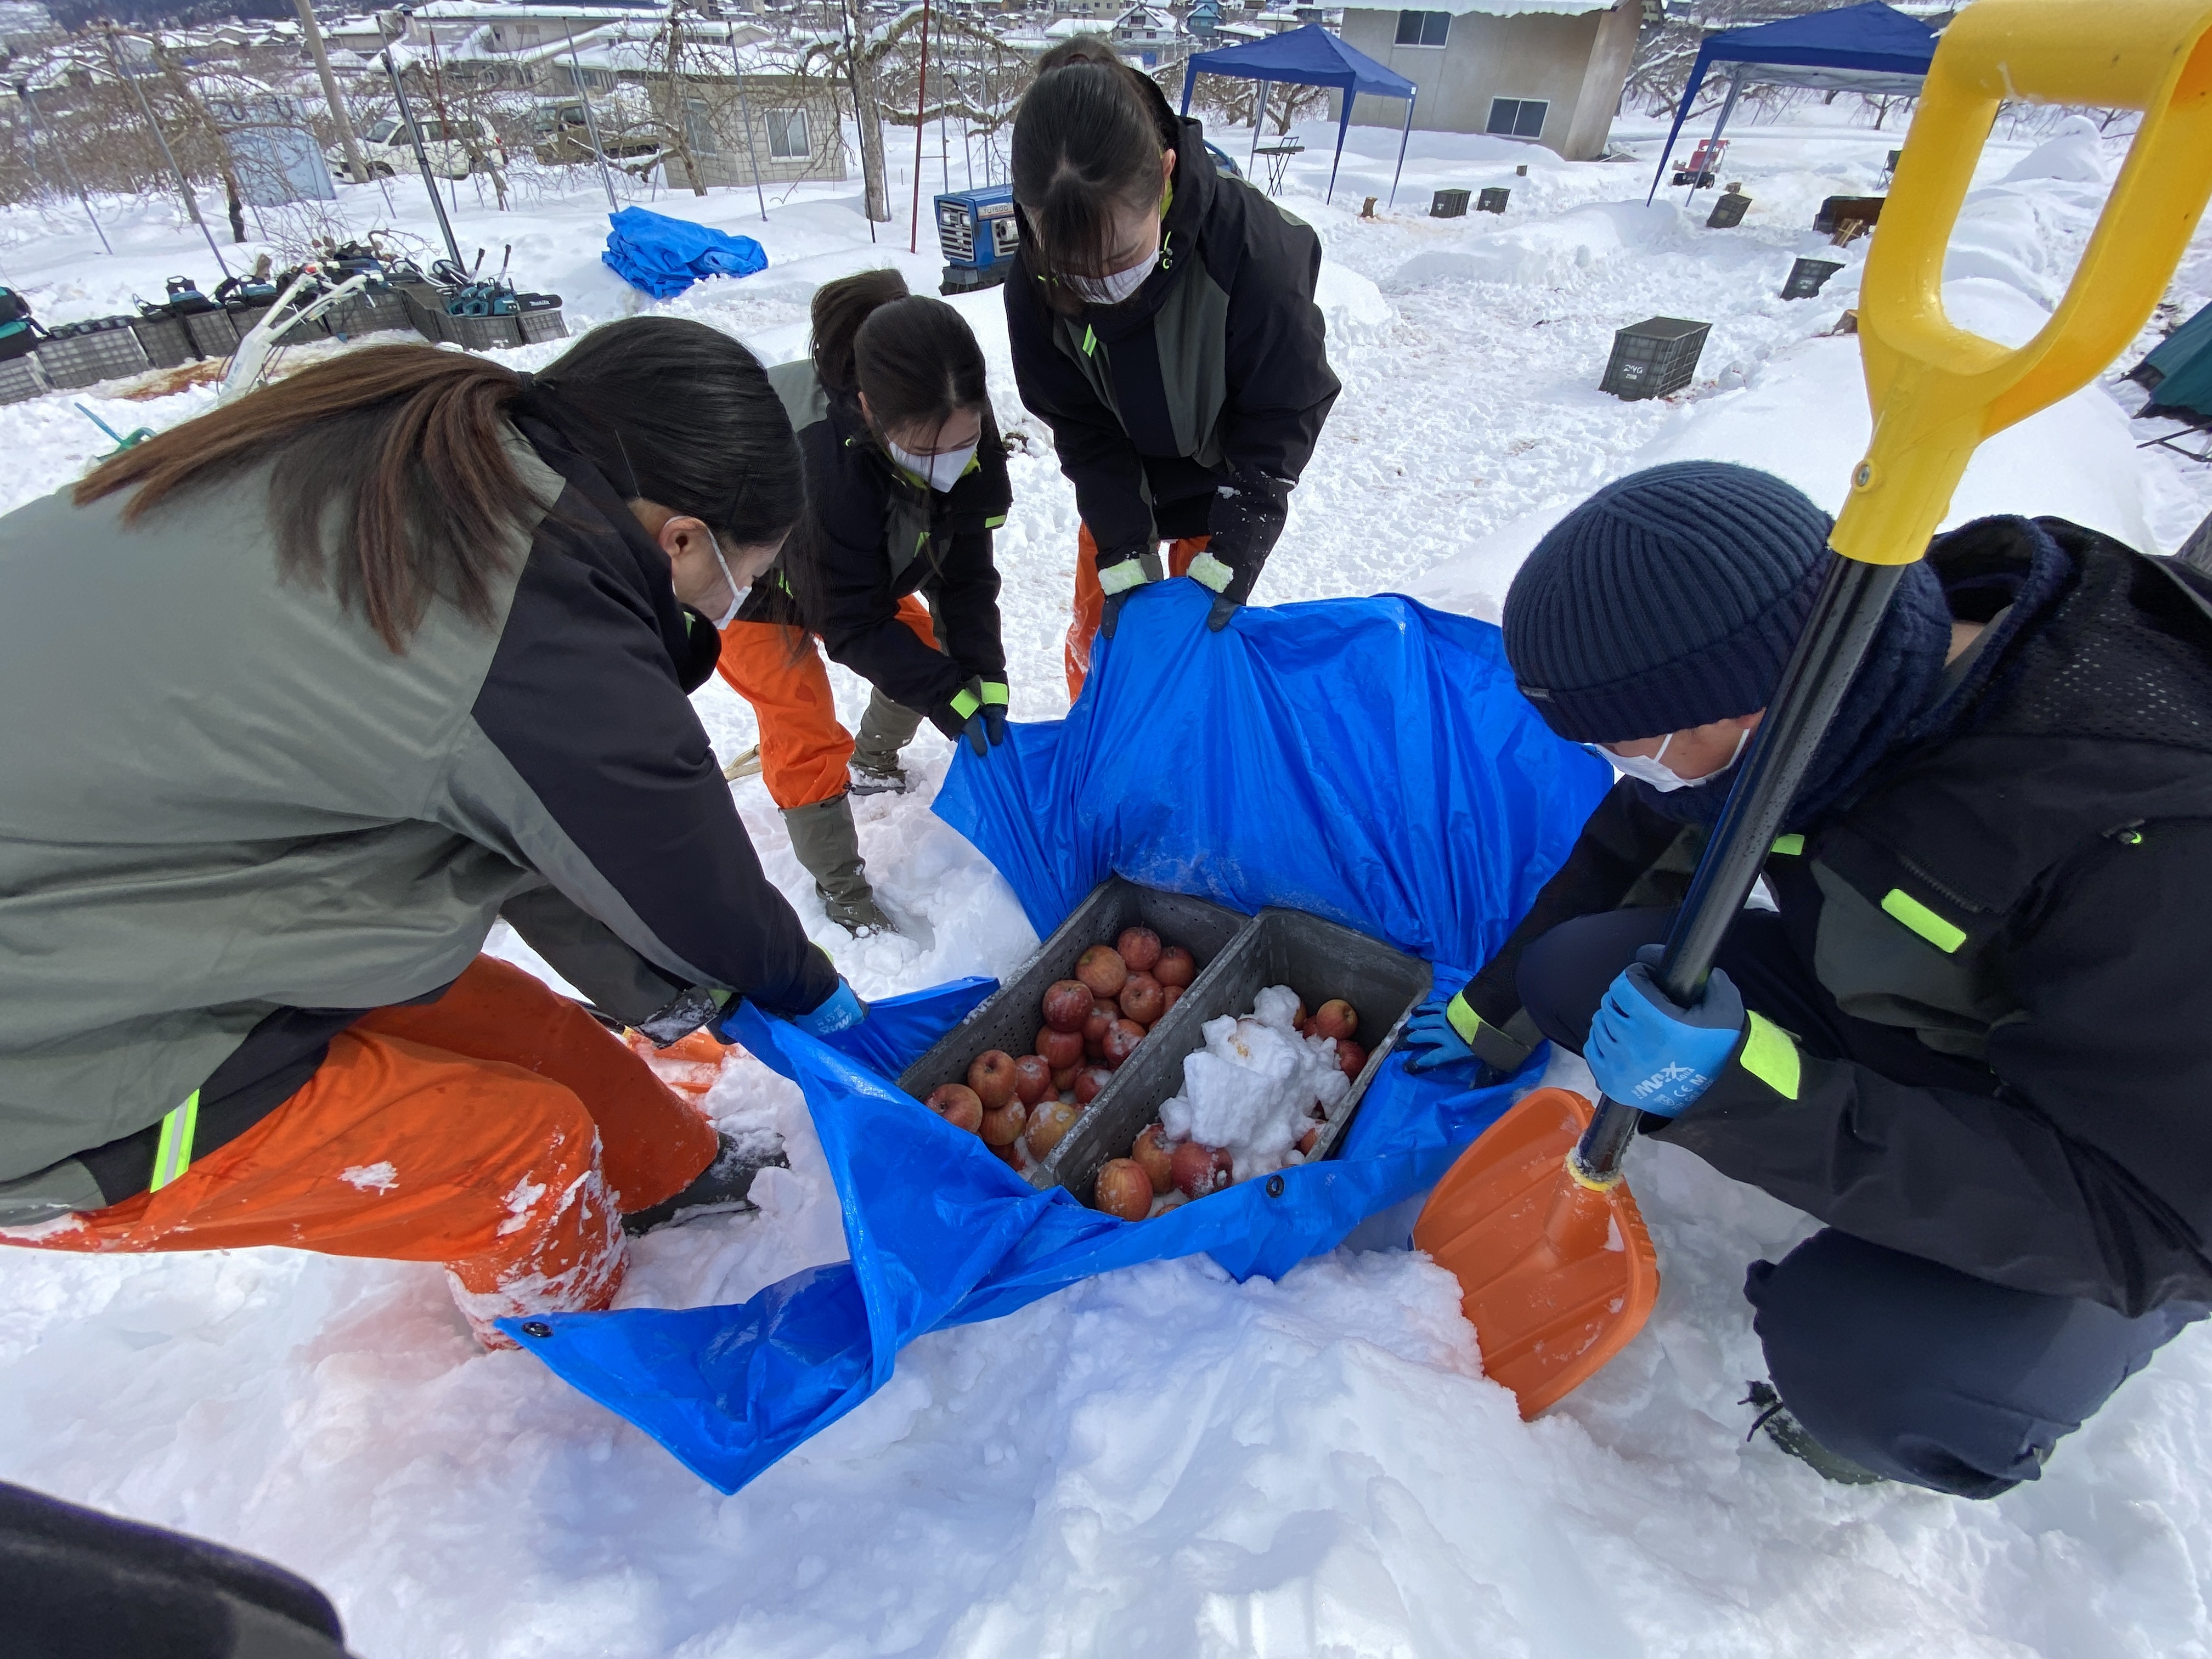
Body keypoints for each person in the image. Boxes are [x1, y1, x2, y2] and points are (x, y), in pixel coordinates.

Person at [0, 321, 869, 1346]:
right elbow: (679, 877)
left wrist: (700, 996)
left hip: (146, 876)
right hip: (54, 1048)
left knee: (526, 1029)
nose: (739, 604)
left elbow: (535, 836)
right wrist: (799, 994)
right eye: (745, 577)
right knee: (520, 1151)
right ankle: (557, 1360)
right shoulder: (522, 613)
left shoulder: (450, 452)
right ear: (682, 537)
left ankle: (667, 1173)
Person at [1402, 461, 2212, 1498]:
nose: (1622, 769)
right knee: (1580, 974)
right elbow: (1652, 821)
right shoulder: (1830, 664)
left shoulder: (2148, 841)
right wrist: (1494, 1002)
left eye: (1623, 745)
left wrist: (1747, 1087)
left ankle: (1979, 1396)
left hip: (2135, 1174)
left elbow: (2145, 1215)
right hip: (1948, 1019)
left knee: (1873, 1366)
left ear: (1734, 713)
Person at [1005, 35, 1341, 699]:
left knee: (1202, 646)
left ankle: (1192, 758)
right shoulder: (1033, 285)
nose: (1104, 288)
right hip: (1122, 485)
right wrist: (1124, 547)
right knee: (1109, 639)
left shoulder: (1252, 254)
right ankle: (1103, 752)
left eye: (1120, 256)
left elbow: (1283, 407)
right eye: (1077, 271)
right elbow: (1079, 423)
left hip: (1224, 483)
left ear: (1163, 175)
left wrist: (1239, 542)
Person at [718, 269, 1014, 936]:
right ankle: (840, 887)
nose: (947, 460)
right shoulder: (825, 460)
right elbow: (851, 622)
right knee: (801, 722)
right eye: (924, 451)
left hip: (848, 572)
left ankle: (875, 759)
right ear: (872, 412)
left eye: (961, 443)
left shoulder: (960, 422)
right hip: (749, 586)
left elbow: (964, 575)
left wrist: (980, 678)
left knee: (922, 648)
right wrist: (947, 697)